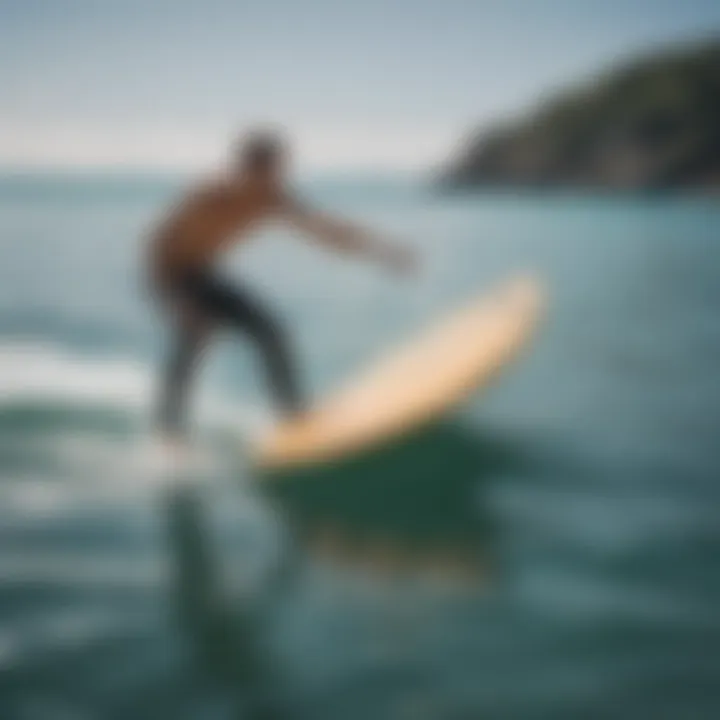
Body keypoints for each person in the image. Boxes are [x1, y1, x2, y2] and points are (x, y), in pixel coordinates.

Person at [147, 129, 416, 446]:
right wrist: (174, 301)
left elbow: (325, 231)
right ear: (249, 166)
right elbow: (158, 245)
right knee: (194, 339)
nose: (280, 175)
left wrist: (384, 251)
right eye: (275, 167)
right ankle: (169, 435)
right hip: (173, 275)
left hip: (204, 272)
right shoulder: (211, 193)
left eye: (281, 168)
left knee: (273, 334)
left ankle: (292, 417)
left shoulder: (271, 197)